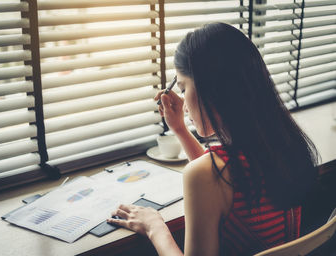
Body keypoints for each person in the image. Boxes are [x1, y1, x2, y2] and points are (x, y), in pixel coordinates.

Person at [107, 22, 318, 255]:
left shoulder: (206, 174)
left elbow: (212, 179)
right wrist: (179, 129)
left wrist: (155, 227)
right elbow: (222, 185)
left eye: (185, 88)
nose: (184, 104)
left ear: (211, 89)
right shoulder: (282, 145)